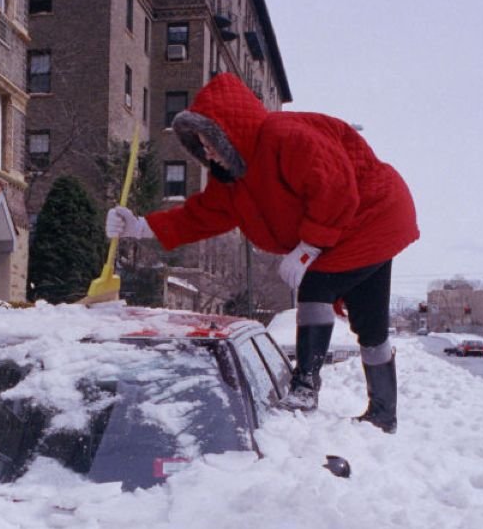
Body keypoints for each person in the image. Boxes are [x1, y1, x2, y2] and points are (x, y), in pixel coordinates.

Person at [105, 72, 419, 433]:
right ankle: (383, 414)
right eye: (200, 145)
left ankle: (305, 387)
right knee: (370, 324)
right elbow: (200, 216)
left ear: (227, 132)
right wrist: (139, 226)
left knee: (316, 287)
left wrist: (307, 249)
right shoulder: (233, 181)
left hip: (372, 213)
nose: (205, 152)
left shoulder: (285, 136)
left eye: (208, 141)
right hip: (364, 225)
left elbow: (335, 188)